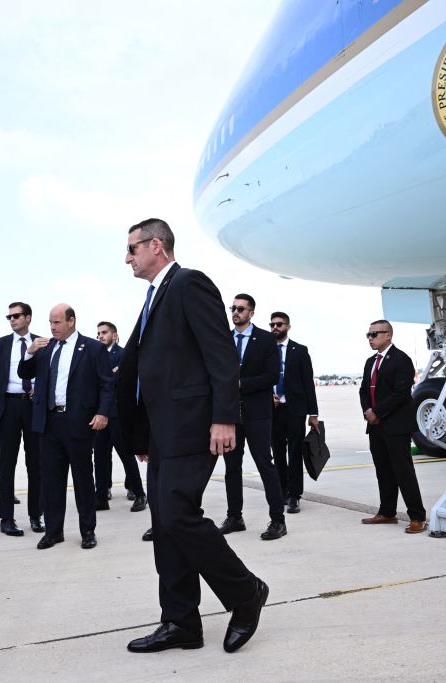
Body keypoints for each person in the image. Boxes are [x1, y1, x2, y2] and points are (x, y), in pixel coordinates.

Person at [117, 218, 267, 654]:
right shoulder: (154, 297)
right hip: (164, 430)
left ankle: (246, 592)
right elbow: (148, 370)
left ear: (156, 245)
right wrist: (141, 433)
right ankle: (181, 622)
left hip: (194, 423)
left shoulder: (188, 283)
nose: (127, 258)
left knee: (178, 513)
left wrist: (225, 417)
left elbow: (220, 352)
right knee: (164, 524)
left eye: (132, 249)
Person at [18, 304, 113, 550]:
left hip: (78, 423)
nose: (52, 327)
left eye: (57, 322)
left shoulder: (92, 348)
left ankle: (88, 531)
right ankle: (53, 531)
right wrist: (29, 352)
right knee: (51, 481)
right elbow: (24, 372)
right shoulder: (44, 348)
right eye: (50, 322)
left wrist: (103, 412)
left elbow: (107, 384)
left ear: (71, 321)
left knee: (82, 480)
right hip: (49, 423)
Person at [220, 293, 287, 540]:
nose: (235, 312)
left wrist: (240, 384)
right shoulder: (224, 338)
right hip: (230, 414)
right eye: (233, 308)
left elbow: (272, 376)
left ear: (251, 312)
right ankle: (235, 516)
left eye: (240, 308)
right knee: (231, 467)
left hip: (258, 413)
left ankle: (278, 520)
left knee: (264, 465)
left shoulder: (267, 339)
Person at [358, 320, 427, 533]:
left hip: (396, 426)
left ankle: (417, 516)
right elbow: (363, 390)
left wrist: (377, 412)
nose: (370, 338)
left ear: (388, 335)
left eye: (374, 334)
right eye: (368, 334)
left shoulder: (401, 360)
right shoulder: (371, 362)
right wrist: (368, 412)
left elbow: (401, 393)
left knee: (403, 472)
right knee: (383, 471)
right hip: (376, 426)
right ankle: (387, 512)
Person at [0, 302, 43, 536]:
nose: (12, 320)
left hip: (33, 406)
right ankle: (6, 518)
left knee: (35, 464)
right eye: (9, 317)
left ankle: (36, 516)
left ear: (28, 317)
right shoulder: (0, 345)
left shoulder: (42, 344)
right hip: (7, 406)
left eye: (16, 316)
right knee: (7, 465)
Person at [269, 312, 320, 513]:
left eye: (279, 324)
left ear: (288, 326)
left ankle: (294, 495)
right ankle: (281, 491)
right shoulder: (266, 349)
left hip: (295, 410)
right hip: (273, 410)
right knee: (278, 452)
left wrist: (313, 413)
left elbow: (308, 383)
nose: (275, 327)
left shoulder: (299, 350)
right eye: (272, 324)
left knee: (295, 452)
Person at [93, 321, 146, 512]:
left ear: (114, 335)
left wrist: (111, 375)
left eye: (104, 332)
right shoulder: (96, 355)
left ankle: (139, 494)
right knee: (99, 456)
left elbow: (122, 382)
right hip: (100, 414)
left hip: (117, 414)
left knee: (126, 455)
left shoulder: (123, 354)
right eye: (98, 333)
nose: (100, 336)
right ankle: (100, 497)